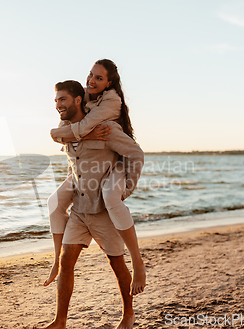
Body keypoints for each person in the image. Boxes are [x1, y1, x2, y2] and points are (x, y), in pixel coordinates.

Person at [42, 80, 145, 329]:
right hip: (79, 208)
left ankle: (128, 315)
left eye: (63, 99)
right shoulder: (65, 129)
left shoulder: (106, 128)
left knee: (117, 264)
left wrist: (126, 189)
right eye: (56, 100)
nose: (58, 105)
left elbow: (135, 154)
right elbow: (71, 160)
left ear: (78, 100)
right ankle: (60, 321)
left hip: (103, 212)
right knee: (67, 262)